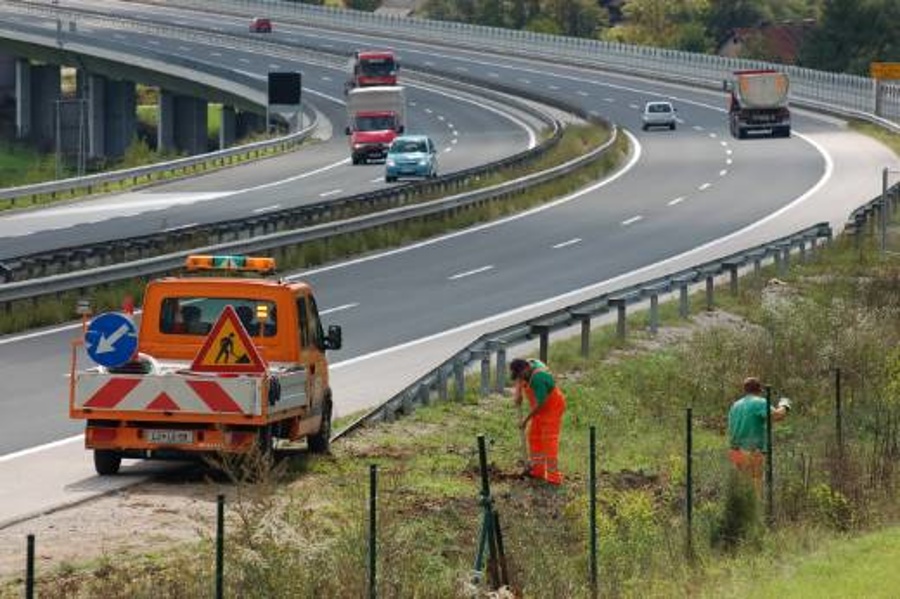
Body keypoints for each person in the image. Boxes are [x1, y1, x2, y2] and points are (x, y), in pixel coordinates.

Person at [727, 377, 792, 495]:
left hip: (735, 450)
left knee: (741, 485)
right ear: (759, 390)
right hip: (753, 450)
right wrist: (785, 405)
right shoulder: (759, 402)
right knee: (755, 484)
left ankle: (741, 511)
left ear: (744, 390)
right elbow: (777, 416)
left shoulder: (735, 405)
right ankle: (756, 512)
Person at [510, 358, 567, 486]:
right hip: (540, 410)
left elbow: (540, 404)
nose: (520, 379)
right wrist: (518, 392)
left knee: (548, 441)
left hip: (552, 408)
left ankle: (554, 478)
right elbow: (519, 379)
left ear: (525, 369)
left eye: (520, 376)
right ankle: (538, 471)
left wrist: (525, 420)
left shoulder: (539, 378)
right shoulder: (529, 364)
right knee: (534, 438)